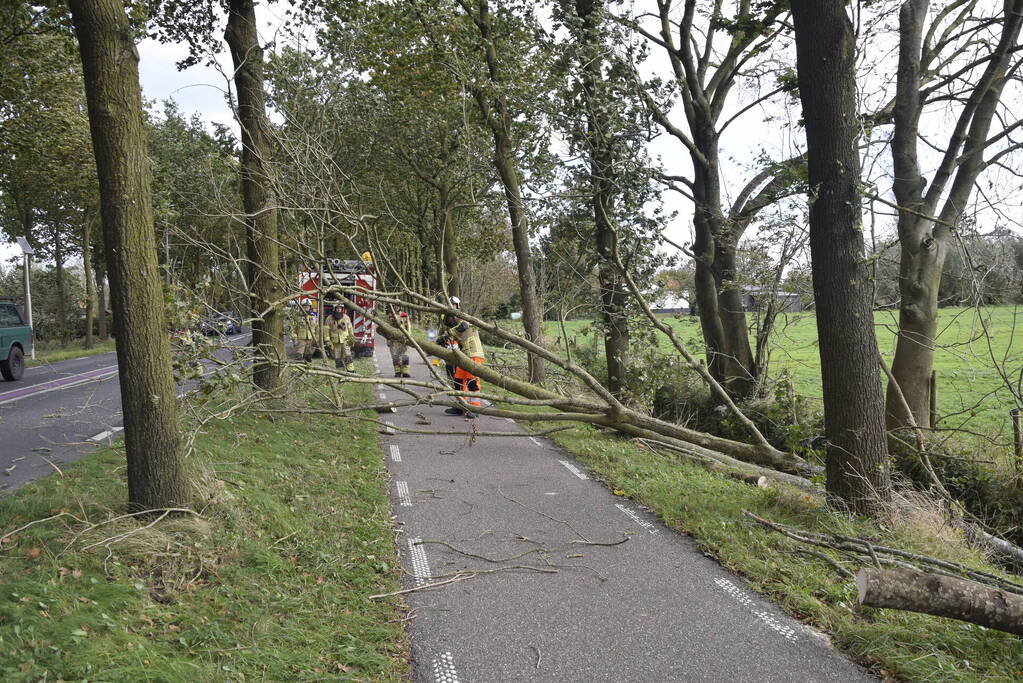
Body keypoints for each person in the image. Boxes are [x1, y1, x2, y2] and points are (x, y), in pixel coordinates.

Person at [442, 306, 484, 418]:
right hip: (464, 356)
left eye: (450, 319)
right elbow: (454, 343)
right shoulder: (456, 327)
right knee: (458, 381)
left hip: (473, 354)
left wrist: (449, 333)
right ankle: (461, 406)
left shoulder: (464, 321)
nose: (449, 322)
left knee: (472, 382)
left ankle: (475, 408)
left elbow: (462, 328)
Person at [327, 304, 356, 372]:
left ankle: (350, 371)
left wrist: (352, 339)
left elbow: (350, 329)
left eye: (340, 308)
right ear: (334, 309)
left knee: (347, 355)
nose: (339, 310)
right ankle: (340, 371)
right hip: (335, 342)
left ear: (342, 309)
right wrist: (328, 341)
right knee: (337, 357)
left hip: (345, 341)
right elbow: (326, 330)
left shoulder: (346, 318)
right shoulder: (329, 318)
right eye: (337, 308)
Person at [388, 308, 412, 378]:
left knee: (405, 356)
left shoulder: (405, 316)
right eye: (395, 306)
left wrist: (409, 337)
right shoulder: (390, 316)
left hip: (404, 338)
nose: (396, 307)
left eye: (397, 306)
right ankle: (397, 372)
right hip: (394, 340)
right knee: (395, 357)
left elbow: (409, 326)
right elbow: (387, 328)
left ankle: (405, 372)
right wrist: (388, 339)